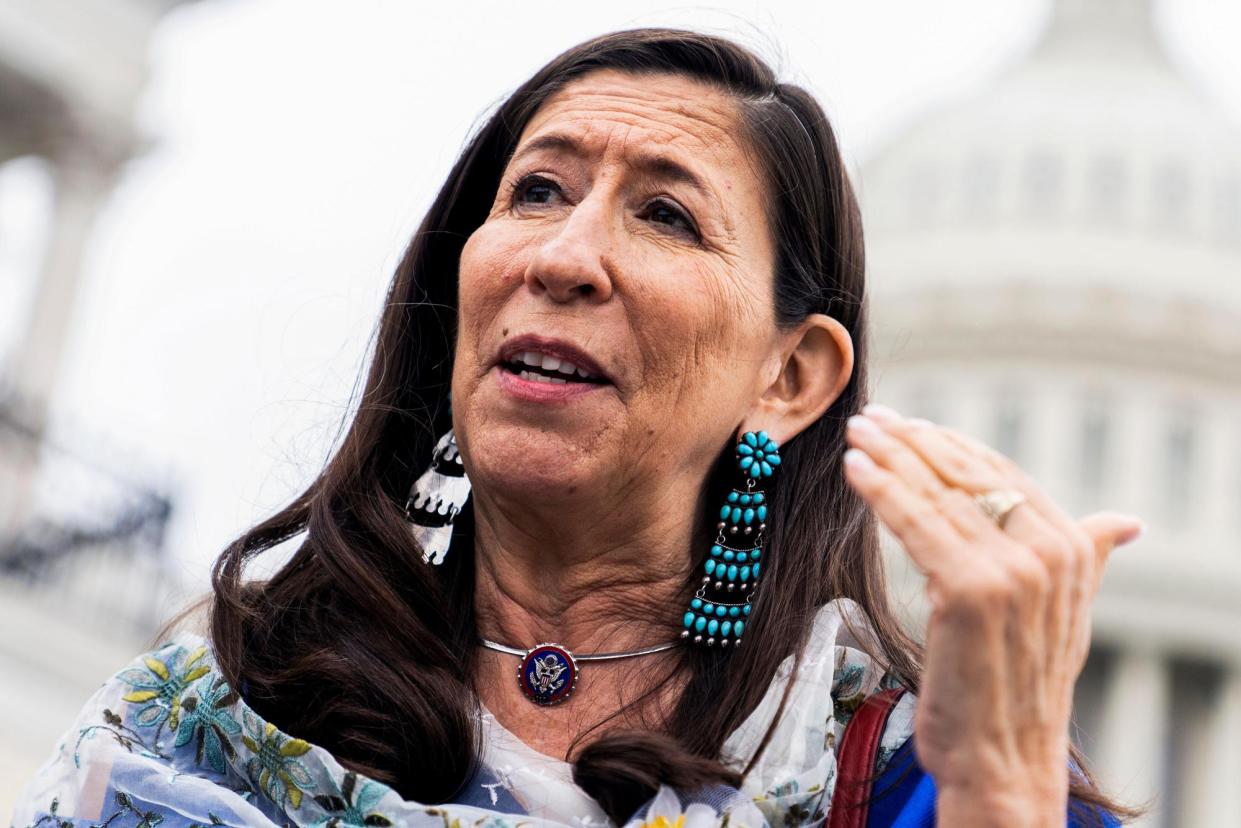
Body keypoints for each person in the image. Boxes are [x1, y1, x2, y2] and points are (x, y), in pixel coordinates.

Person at [13, 28, 1144, 828]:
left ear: (788, 377)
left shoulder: (900, 782)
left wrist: (996, 792)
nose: (561, 258)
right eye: (537, 192)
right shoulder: (216, 708)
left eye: (663, 213)